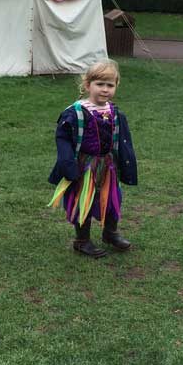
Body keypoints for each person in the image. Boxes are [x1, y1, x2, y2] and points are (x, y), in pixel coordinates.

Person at [48, 60, 138, 259]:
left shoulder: (114, 112)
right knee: (84, 201)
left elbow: (122, 141)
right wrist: (68, 165)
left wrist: (125, 164)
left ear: (116, 86)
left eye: (110, 85)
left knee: (113, 199)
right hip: (84, 167)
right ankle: (82, 241)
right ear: (88, 85)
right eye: (100, 84)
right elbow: (63, 139)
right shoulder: (75, 113)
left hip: (108, 166)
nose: (105, 89)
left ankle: (110, 233)